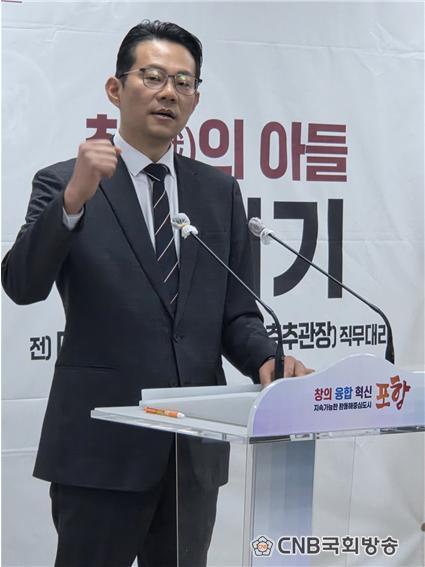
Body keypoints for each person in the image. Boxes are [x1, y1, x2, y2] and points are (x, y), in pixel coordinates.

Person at [2, 19, 311, 567]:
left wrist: (266, 359)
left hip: (191, 453)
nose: (169, 92)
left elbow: (236, 313)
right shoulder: (65, 182)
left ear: (195, 99)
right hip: (101, 450)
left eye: (183, 82)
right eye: (152, 77)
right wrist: (73, 201)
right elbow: (22, 285)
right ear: (115, 88)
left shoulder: (218, 191)